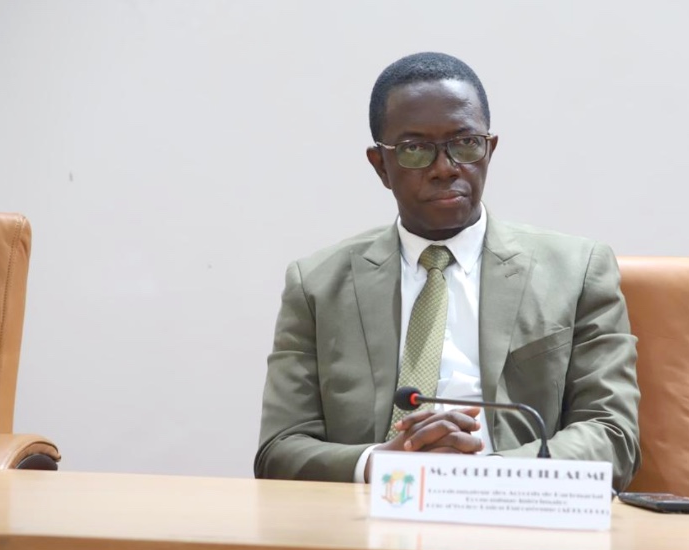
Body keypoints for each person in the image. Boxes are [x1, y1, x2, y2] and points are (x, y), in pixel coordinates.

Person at [254, 52, 641, 490]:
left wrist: (480, 475)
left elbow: (613, 435)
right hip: (368, 515)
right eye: (415, 150)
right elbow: (279, 449)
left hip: (516, 510)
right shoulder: (317, 285)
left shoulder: (576, 271)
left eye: (466, 143)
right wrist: (384, 464)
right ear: (381, 165)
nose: (445, 168)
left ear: (490, 150)